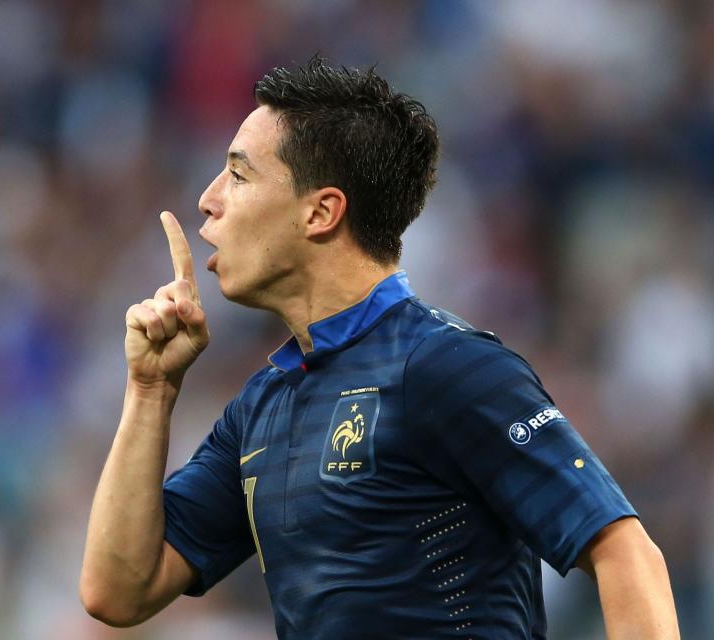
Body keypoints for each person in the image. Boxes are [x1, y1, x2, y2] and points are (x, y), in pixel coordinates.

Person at [80, 58, 680, 639]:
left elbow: (627, 553)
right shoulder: (261, 408)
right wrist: (150, 389)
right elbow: (119, 591)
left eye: (238, 174)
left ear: (321, 212)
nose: (209, 199)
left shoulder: (445, 366)